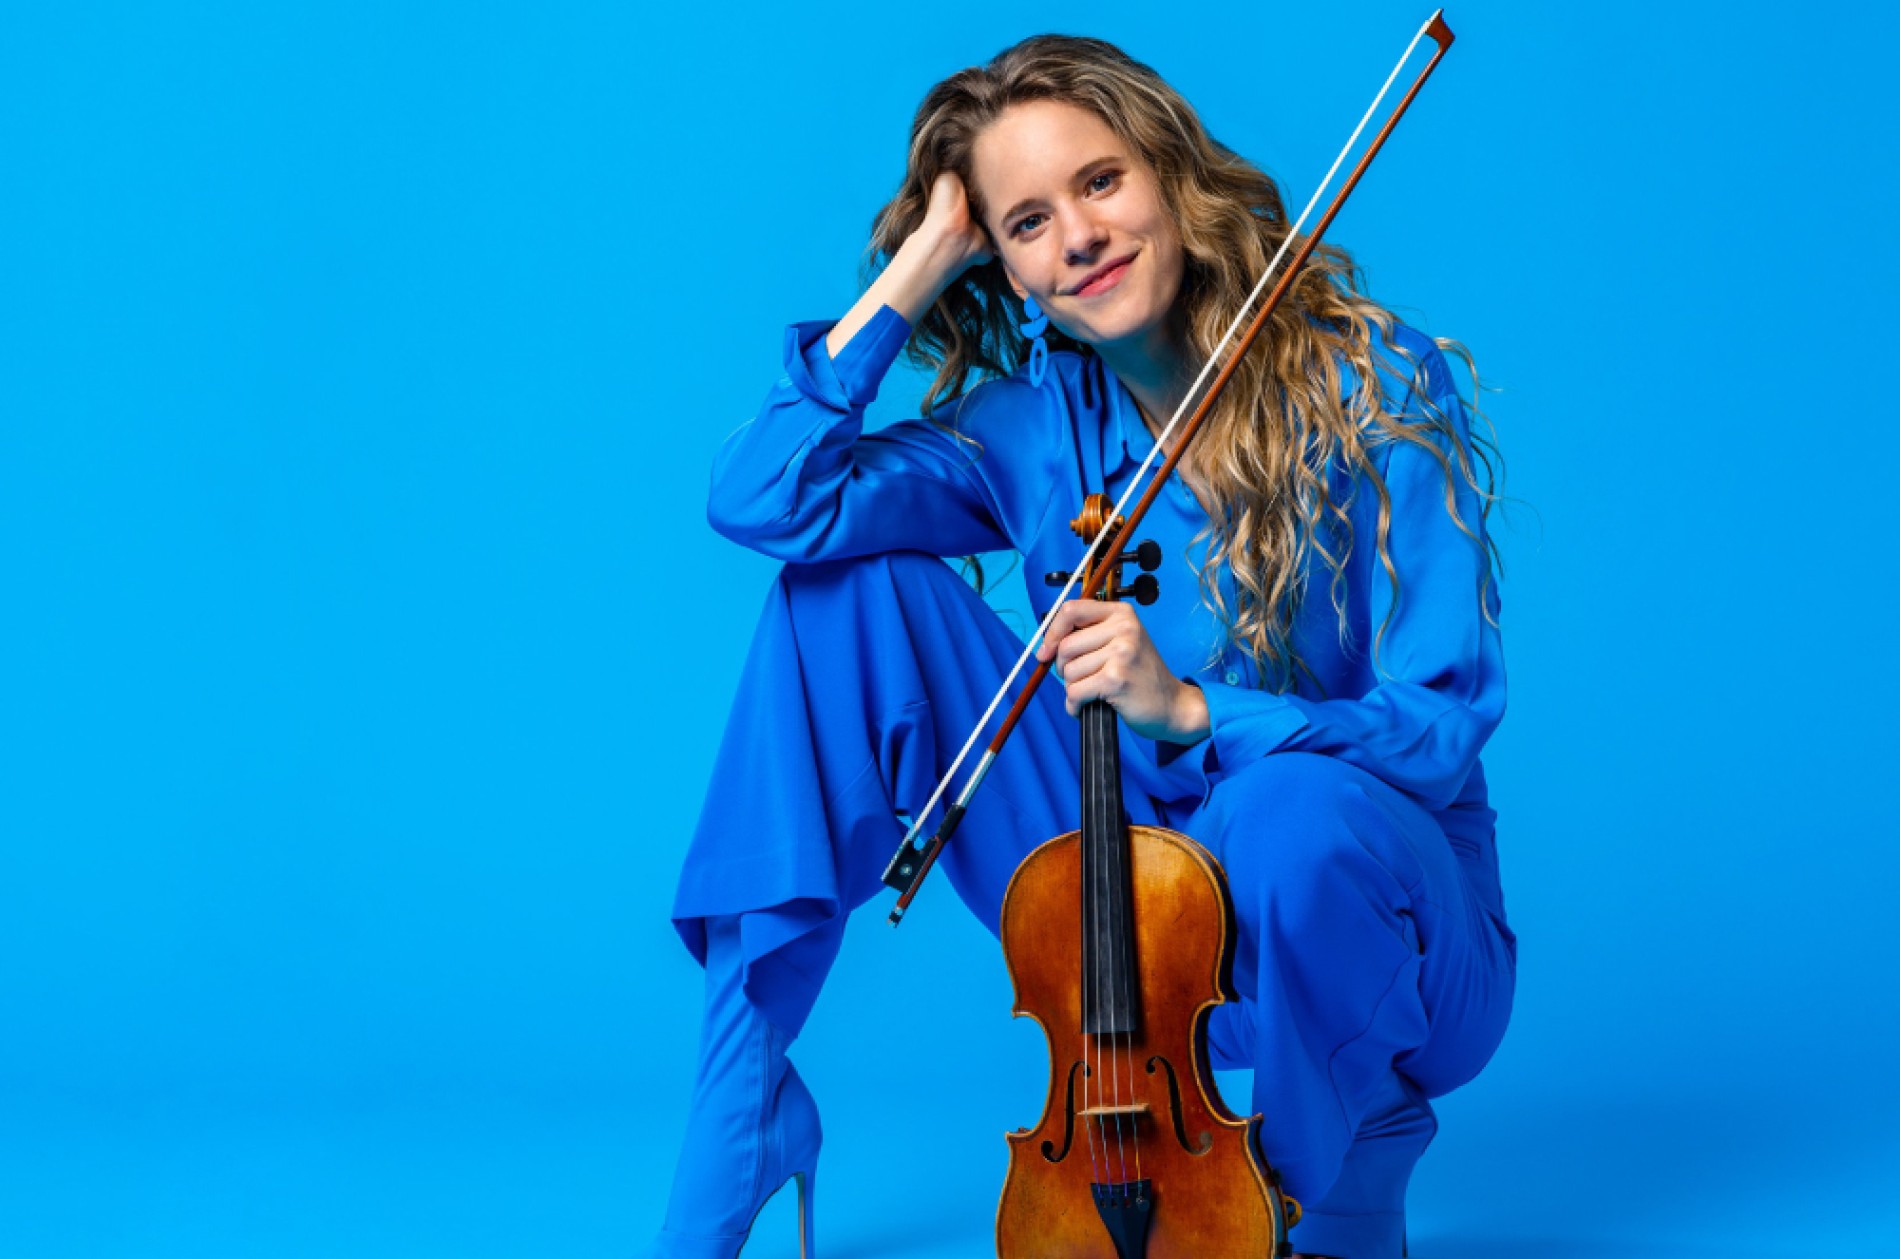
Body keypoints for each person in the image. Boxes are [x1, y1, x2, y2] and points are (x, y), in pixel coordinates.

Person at [646, 32, 1516, 1259]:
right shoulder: (1034, 423)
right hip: (1129, 930)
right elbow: (766, 497)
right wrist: (914, 269)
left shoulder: (1370, 381)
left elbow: (1439, 725)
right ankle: (739, 1120)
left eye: (1100, 182)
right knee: (834, 600)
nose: (1078, 238)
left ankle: (1345, 1195)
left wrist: (1200, 710)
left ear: (1170, 174)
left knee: (1288, 812)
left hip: (1392, 942)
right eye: (1026, 221)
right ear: (1001, 261)